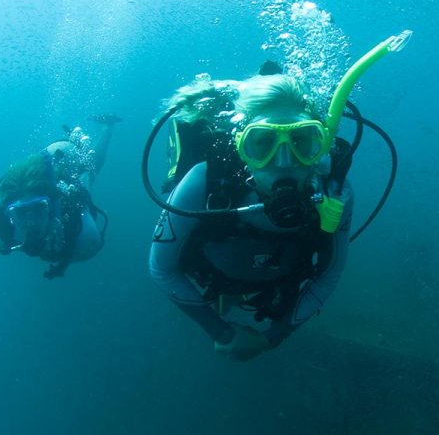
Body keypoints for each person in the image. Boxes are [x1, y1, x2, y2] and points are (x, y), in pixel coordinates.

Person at [148, 69, 354, 361]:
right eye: (263, 143)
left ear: (319, 147)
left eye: (301, 142)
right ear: (241, 146)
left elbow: (330, 272)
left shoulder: (335, 194)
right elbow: (162, 268)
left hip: (275, 285)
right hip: (212, 276)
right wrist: (221, 332)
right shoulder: (203, 181)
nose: (283, 163)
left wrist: (272, 336)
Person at [0, 115, 119, 279]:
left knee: (92, 167)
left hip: (69, 156)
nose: (31, 221)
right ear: (8, 212)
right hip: (49, 159)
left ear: (53, 205)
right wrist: (8, 241)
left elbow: (84, 252)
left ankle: (108, 126)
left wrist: (58, 259)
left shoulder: (84, 229)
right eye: (20, 212)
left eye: (39, 208)